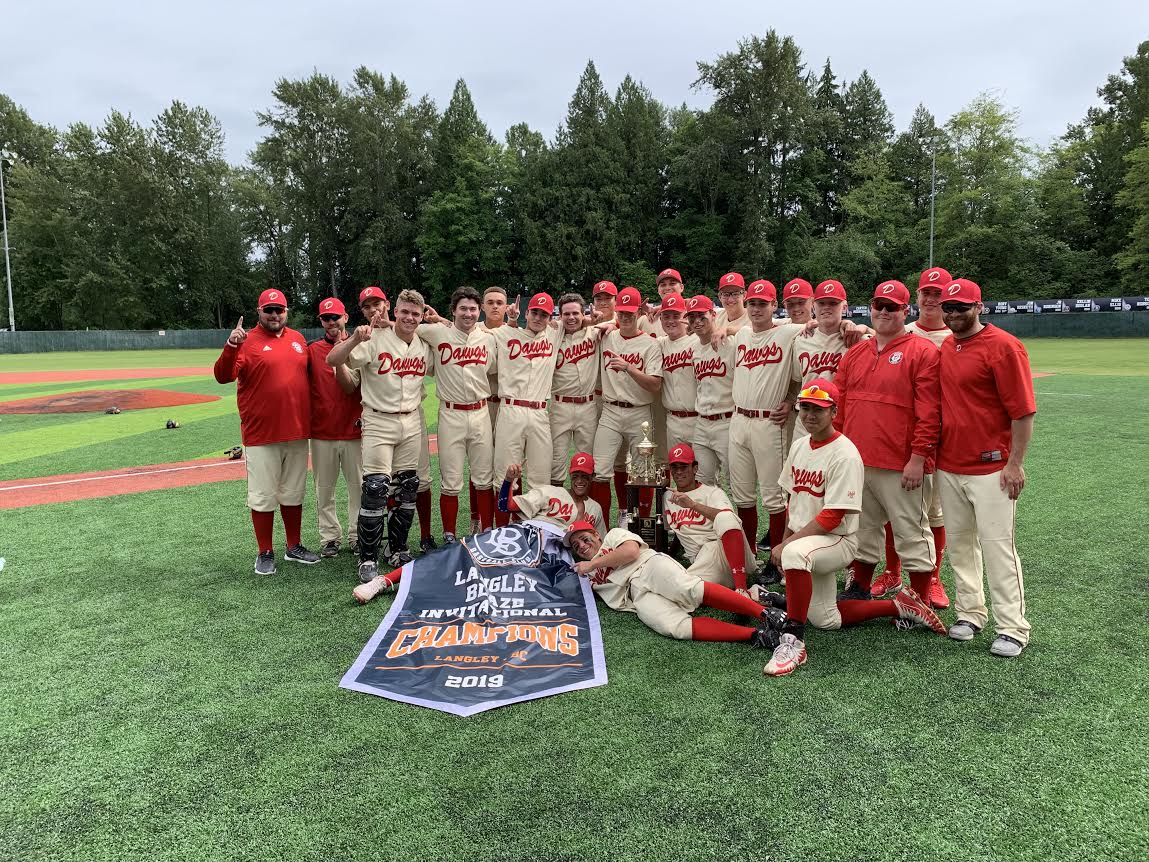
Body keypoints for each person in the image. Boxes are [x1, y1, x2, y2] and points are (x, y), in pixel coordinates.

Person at [755, 379, 946, 677]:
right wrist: (784, 540)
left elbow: (833, 516)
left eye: (818, 409)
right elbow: (794, 502)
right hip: (809, 541)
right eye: (805, 408)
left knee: (794, 554)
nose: (810, 415)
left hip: (837, 540)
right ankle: (901, 605)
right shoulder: (799, 446)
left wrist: (787, 546)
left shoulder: (844, 453)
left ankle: (793, 642)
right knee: (825, 619)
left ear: (834, 412)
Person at [936, 278, 1036, 658]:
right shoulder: (947, 345)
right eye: (948, 307)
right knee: (961, 546)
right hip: (949, 465)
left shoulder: (1004, 346)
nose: (953, 314)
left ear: (979, 307)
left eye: (961, 307)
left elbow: (1023, 412)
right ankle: (970, 613)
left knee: (998, 549)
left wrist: (1015, 463)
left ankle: (1012, 627)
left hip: (992, 467)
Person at [833, 281, 942, 607]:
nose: (884, 311)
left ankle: (920, 598)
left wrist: (918, 457)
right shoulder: (856, 352)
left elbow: (930, 412)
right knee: (863, 528)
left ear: (905, 311)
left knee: (911, 531)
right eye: (879, 305)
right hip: (858, 458)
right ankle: (860, 586)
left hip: (900, 462)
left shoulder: (923, 351)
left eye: (892, 307)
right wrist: (836, 451)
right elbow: (840, 406)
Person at [328, 289, 430, 581]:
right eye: (404, 312)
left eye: (415, 313)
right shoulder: (372, 338)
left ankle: (397, 549)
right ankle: (368, 557)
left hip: (411, 419)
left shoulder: (424, 341)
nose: (409, 318)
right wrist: (354, 339)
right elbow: (333, 359)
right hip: (378, 419)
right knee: (375, 489)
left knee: (407, 487)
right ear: (394, 311)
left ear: (421, 316)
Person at [213, 288, 318, 574]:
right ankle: (265, 551)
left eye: (279, 310)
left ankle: (294, 546)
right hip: (261, 433)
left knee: (293, 492)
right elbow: (222, 376)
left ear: (286, 312)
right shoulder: (246, 341)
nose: (274, 315)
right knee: (263, 496)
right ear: (259, 312)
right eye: (269, 310)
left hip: (297, 430)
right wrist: (231, 345)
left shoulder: (298, 339)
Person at [565, 521, 785, 648]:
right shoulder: (587, 574)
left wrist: (592, 564)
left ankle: (766, 614)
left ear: (596, 534)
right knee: (675, 627)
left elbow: (631, 552)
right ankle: (756, 635)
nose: (581, 546)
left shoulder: (613, 536)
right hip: (636, 596)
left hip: (648, 566)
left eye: (584, 538)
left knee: (688, 589)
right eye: (576, 546)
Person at [895, 264, 955, 608]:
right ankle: (892, 572)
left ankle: (933, 579)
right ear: (917, 297)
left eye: (937, 294)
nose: (931, 299)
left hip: (943, 434)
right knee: (896, 507)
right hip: (903, 431)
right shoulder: (901, 331)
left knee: (935, 512)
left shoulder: (956, 335)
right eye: (926, 293)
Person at [416, 286, 496, 542]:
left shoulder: (488, 338)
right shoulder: (437, 332)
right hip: (450, 413)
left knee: (483, 478)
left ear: (479, 311)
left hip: (480, 411)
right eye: (463, 308)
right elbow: (408, 327)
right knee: (450, 479)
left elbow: (494, 367)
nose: (468, 313)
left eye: (473, 309)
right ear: (453, 311)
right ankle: (449, 533)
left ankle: (486, 531)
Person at [728, 280, 802, 557]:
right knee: (742, 494)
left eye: (763, 303)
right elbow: (726, 325)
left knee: (774, 497)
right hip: (739, 419)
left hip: (769, 422)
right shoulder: (742, 334)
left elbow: (822, 326)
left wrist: (791, 401)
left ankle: (776, 556)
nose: (756, 309)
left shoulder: (788, 332)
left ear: (774, 305)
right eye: (752, 303)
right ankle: (748, 554)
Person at [589, 287, 664, 519]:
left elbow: (655, 385)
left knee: (643, 472)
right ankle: (605, 524)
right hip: (610, 411)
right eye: (621, 312)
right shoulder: (606, 336)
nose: (625, 317)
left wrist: (629, 368)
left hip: (639, 413)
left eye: (630, 313)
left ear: (639, 312)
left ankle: (642, 524)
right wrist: (608, 324)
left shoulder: (650, 344)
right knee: (600, 470)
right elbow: (580, 324)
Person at [490, 293, 564, 522]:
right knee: (505, 475)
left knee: (540, 478)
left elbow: (582, 319)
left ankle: (535, 530)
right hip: (511, 409)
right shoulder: (504, 333)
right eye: (535, 312)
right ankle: (503, 531)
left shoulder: (555, 333)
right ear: (527, 313)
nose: (539, 318)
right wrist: (511, 320)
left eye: (544, 314)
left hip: (540, 412)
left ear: (551, 317)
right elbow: (470, 328)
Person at [307, 297, 363, 558]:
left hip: (355, 429)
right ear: (321, 321)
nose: (331, 322)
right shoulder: (312, 350)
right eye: (326, 318)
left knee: (358, 488)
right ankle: (330, 537)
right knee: (324, 490)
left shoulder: (360, 344)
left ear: (345, 318)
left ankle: (357, 535)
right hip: (322, 431)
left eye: (335, 317)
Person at [663, 444, 754, 592]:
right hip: (703, 561)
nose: (679, 472)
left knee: (725, 517)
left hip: (725, 552)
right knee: (680, 591)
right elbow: (678, 531)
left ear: (695, 468)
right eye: (675, 467)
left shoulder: (713, 493)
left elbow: (729, 521)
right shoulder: (667, 497)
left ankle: (742, 589)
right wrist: (671, 554)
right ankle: (756, 593)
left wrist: (692, 505)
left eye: (684, 467)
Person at [789, 279, 853, 441]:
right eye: (821, 303)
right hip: (805, 425)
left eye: (833, 303)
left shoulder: (855, 339)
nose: (826, 307)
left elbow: (888, 337)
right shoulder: (801, 339)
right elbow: (797, 381)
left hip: (840, 422)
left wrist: (864, 327)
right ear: (814, 306)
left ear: (844, 307)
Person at [685, 294, 735, 489]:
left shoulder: (731, 341)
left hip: (727, 421)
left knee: (735, 484)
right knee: (702, 483)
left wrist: (727, 329)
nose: (697, 321)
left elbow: (761, 329)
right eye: (692, 317)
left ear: (713, 315)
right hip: (702, 423)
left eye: (701, 316)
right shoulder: (693, 347)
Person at [550, 293, 600, 481]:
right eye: (566, 314)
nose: (571, 318)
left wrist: (592, 321)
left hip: (588, 405)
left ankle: (585, 500)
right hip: (560, 405)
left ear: (583, 314)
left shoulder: (594, 332)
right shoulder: (552, 334)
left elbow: (617, 323)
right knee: (556, 459)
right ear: (560, 315)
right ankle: (556, 498)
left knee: (587, 459)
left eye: (575, 313)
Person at [499, 453, 606, 536]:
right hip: (533, 540)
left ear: (592, 477)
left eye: (584, 476)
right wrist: (509, 479)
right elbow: (505, 506)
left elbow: (601, 542)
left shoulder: (595, 509)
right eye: (575, 476)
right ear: (570, 475)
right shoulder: (548, 492)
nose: (579, 480)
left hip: (562, 554)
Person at [656, 292, 699, 449]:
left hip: (699, 420)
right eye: (666, 316)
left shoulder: (699, 340)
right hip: (672, 420)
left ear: (685, 316)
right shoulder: (659, 344)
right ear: (660, 319)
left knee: (703, 466)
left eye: (676, 315)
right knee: (677, 464)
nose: (671, 321)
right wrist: (613, 323)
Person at [638, 267, 686, 337]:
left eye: (672, 283)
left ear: (682, 287)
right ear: (658, 290)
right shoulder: (647, 317)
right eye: (663, 285)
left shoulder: (693, 315)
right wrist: (635, 315)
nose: (667, 288)